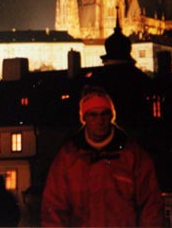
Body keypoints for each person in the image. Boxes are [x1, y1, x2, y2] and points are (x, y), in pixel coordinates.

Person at [41, 87, 163, 227]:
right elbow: (54, 209)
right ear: (84, 118)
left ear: (111, 116)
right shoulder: (68, 157)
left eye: (104, 114)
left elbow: (151, 207)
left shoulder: (133, 155)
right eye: (93, 115)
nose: (100, 121)